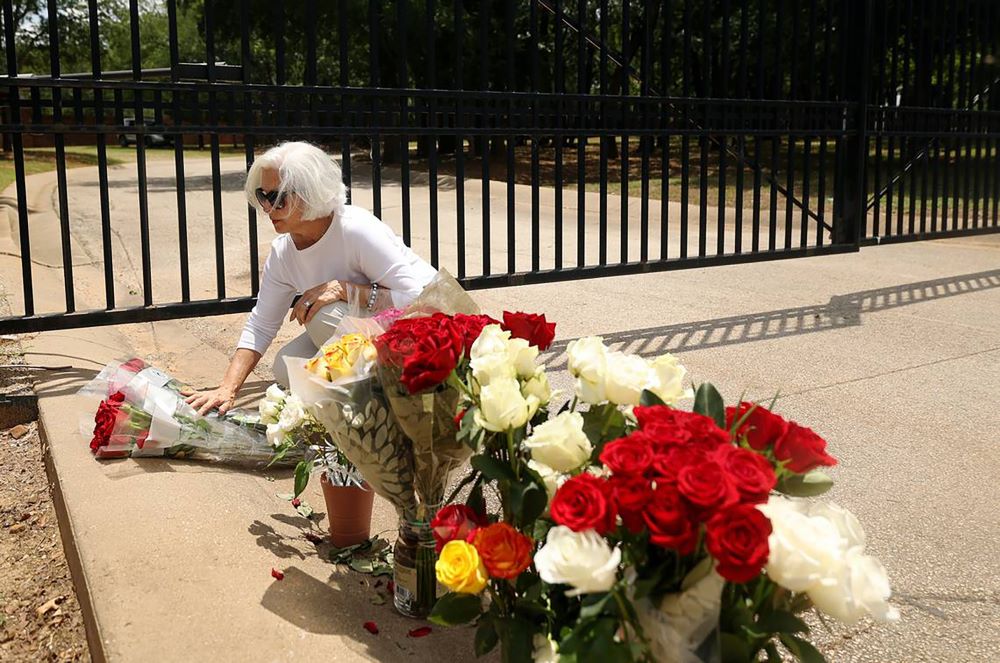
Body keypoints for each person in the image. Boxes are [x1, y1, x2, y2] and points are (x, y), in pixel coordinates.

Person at [185, 141, 436, 415]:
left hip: (426, 326)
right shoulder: (283, 253)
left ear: (311, 193)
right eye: (263, 195)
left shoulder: (355, 229)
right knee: (286, 367)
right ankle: (369, 400)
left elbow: (419, 299)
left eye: (279, 198)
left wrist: (349, 290)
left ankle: (399, 397)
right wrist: (227, 388)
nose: (268, 208)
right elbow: (261, 324)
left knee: (320, 315)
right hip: (368, 329)